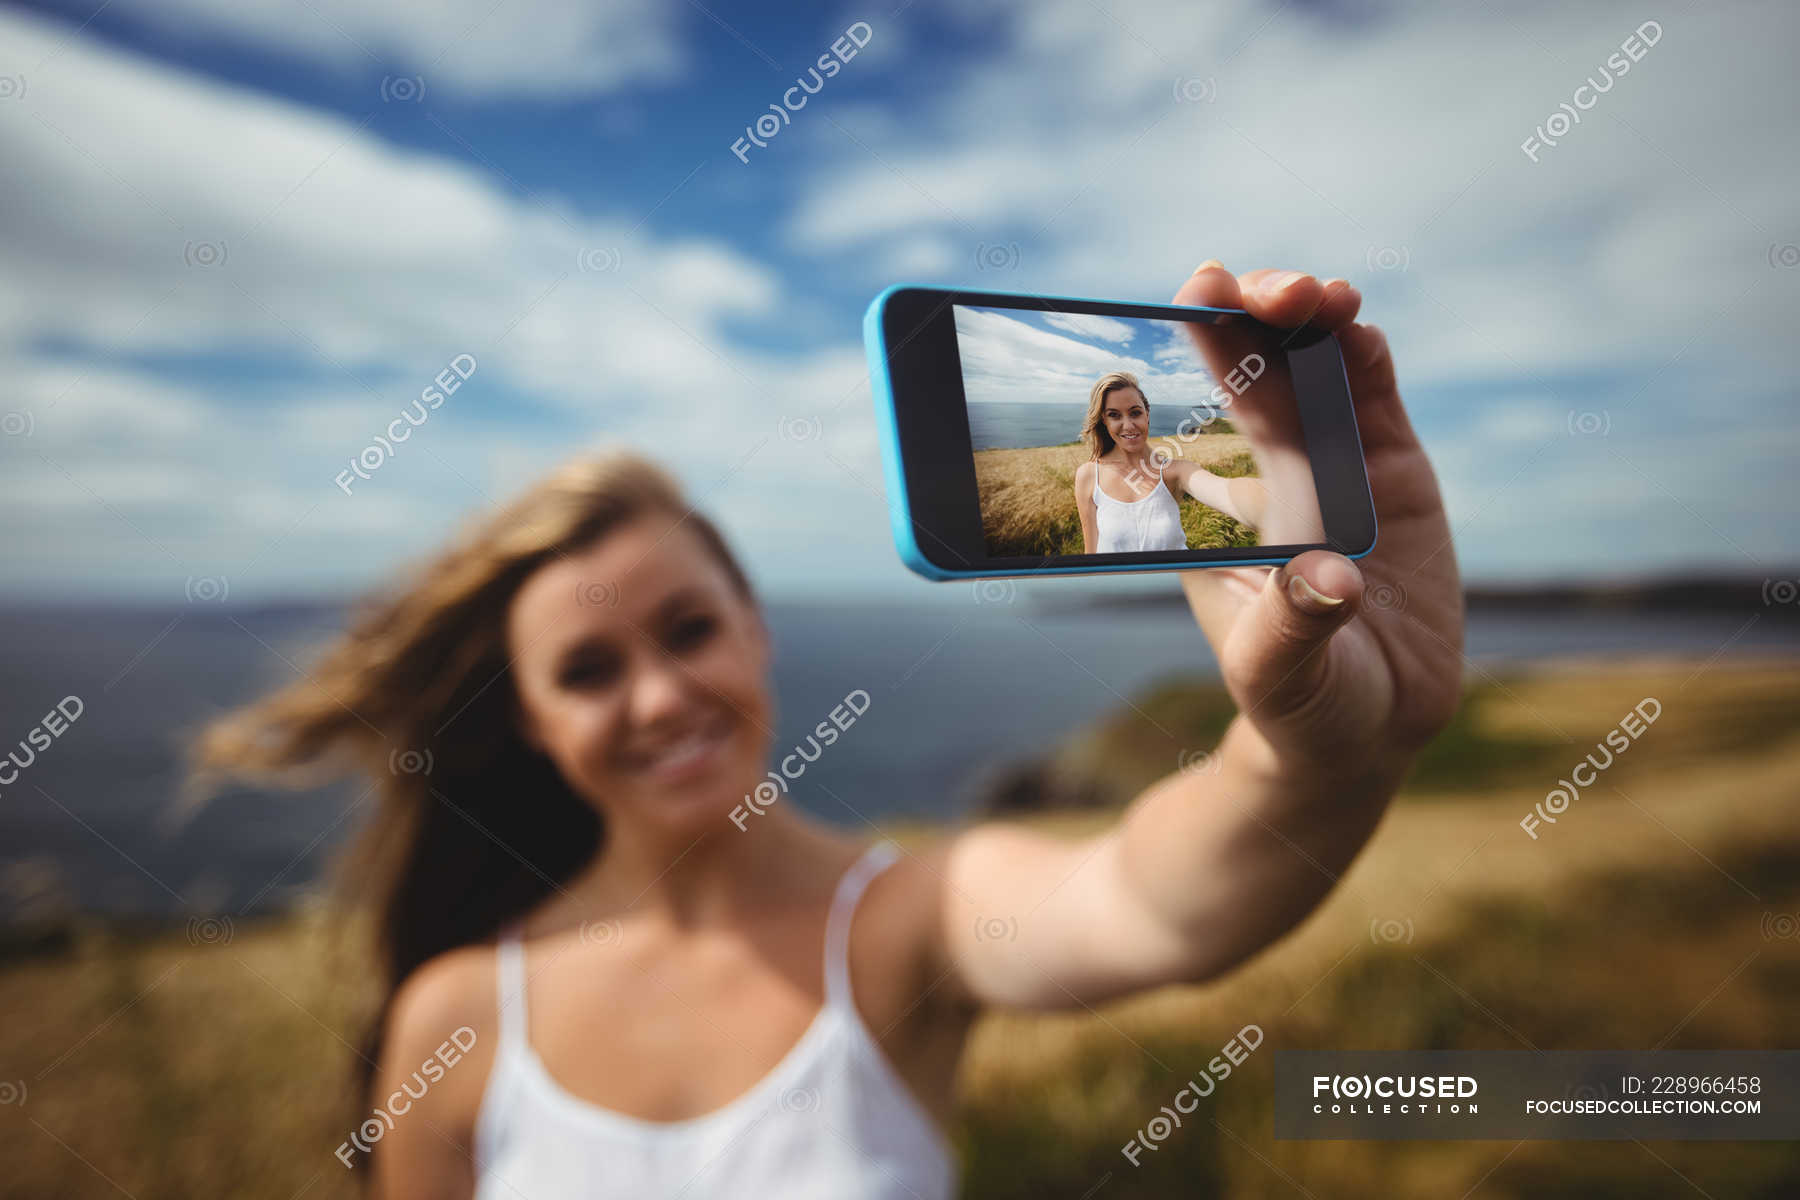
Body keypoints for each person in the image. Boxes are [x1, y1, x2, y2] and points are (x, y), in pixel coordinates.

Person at [190, 261, 1463, 1198]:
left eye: (689, 631)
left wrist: (1319, 755)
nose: (660, 697)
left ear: (756, 630)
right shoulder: (455, 1022)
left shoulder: (910, 922)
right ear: (528, 721)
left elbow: (1157, 902)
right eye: (588, 668)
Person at [1075, 371, 1269, 553]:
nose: (1128, 425)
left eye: (1135, 413)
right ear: (1104, 421)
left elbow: (1225, 492)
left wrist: (1277, 505)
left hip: (1175, 588)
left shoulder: (1177, 471)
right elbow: (1090, 556)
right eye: (1114, 415)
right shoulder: (1089, 475)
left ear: (1147, 414)